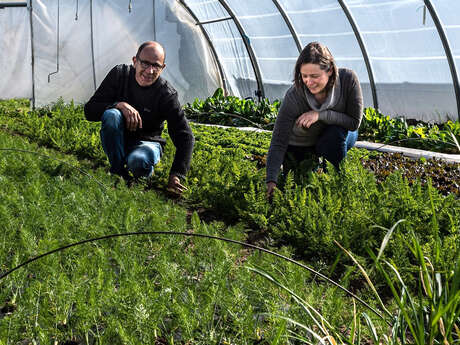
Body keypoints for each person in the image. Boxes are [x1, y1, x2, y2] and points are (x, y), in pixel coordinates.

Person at [84, 41, 195, 194]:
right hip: (120, 139)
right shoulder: (119, 75)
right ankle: (117, 172)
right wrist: (119, 105)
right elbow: (90, 111)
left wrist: (177, 174)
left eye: (156, 66)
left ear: (162, 68)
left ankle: (141, 176)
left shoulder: (166, 94)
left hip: (148, 142)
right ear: (135, 61)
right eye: (145, 63)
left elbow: (185, 137)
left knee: (138, 161)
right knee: (112, 115)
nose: (149, 71)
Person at [266, 41, 363, 197]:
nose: (309, 82)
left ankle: (336, 183)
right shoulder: (294, 95)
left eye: (315, 76)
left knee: (334, 137)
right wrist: (271, 180)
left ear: (330, 70)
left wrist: (320, 115)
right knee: (299, 181)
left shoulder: (347, 80)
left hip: (340, 133)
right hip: (307, 139)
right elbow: (279, 139)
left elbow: (354, 122)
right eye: (304, 76)